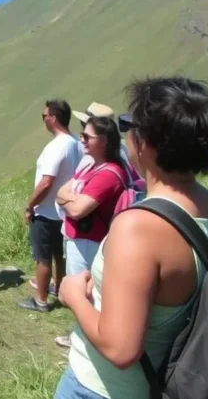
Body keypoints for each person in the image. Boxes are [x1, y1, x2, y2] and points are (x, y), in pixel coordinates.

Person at [55, 77, 208, 399]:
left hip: (104, 389)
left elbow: (120, 349)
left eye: (129, 126)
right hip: (177, 383)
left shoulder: (139, 226)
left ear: (146, 143)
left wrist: (74, 296)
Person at [51, 117, 126, 348]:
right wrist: (68, 198)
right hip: (79, 239)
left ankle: (87, 341)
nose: (81, 139)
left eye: (87, 137)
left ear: (103, 141)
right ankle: (81, 336)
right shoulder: (91, 167)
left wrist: (68, 199)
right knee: (81, 290)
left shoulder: (108, 174)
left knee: (86, 293)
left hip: (90, 242)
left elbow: (77, 208)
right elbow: (63, 191)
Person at [20, 100, 82, 312]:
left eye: (44, 116)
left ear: (53, 118)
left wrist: (30, 205)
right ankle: (59, 289)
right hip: (66, 211)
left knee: (42, 257)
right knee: (59, 255)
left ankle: (41, 300)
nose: (44, 120)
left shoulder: (56, 147)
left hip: (47, 211)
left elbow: (47, 182)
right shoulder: (75, 143)